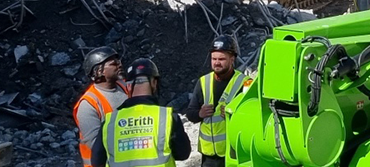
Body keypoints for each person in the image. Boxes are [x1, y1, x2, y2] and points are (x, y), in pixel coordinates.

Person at [92, 58, 192, 167]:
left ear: (128, 86)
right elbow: (183, 154)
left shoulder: (110, 122)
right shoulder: (167, 117)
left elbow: (97, 161)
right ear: (154, 83)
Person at [184, 37, 254, 167]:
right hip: (208, 157)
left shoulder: (246, 83)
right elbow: (190, 114)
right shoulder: (203, 82)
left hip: (233, 155)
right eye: (214, 59)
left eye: (221, 59)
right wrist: (200, 113)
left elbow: (253, 119)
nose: (216, 63)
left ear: (232, 59)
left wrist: (234, 115)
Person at [74, 47, 129, 167]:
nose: (119, 65)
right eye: (114, 63)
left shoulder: (124, 86)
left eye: (118, 61)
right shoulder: (88, 105)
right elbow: (96, 146)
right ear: (99, 71)